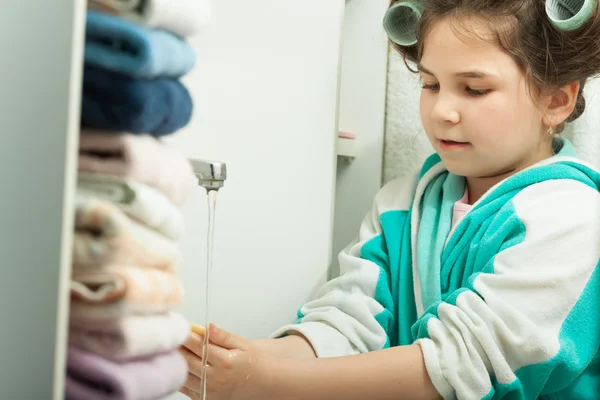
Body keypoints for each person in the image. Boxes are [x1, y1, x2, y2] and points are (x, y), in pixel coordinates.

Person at [179, 0, 600, 398]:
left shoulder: (574, 219)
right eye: (430, 84)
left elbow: (465, 365)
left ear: (556, 100)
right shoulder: (403, 204)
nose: (441, 111)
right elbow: (349, 323)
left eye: (473, 89)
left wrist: (271, 384)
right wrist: (229, 359)